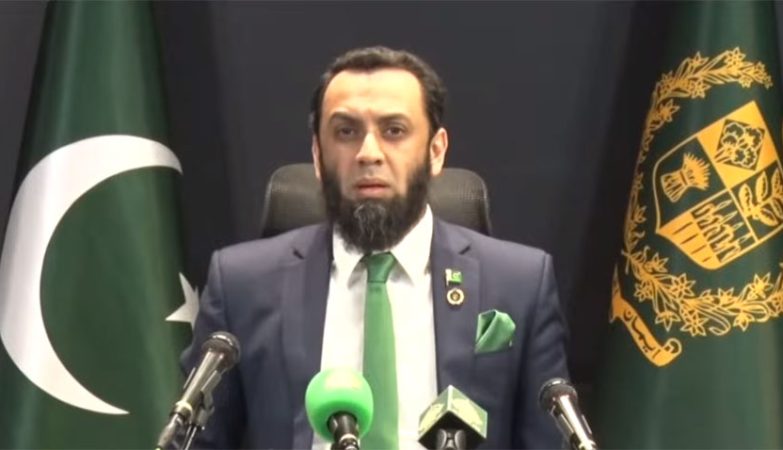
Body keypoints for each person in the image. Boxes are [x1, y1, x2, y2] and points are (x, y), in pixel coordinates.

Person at [183, 46, 568, 449]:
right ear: (318, 155)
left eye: (394, 130)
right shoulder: (243, 284)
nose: (369, 153)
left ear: (436, 151)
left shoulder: (518, 285)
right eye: (346, 132)